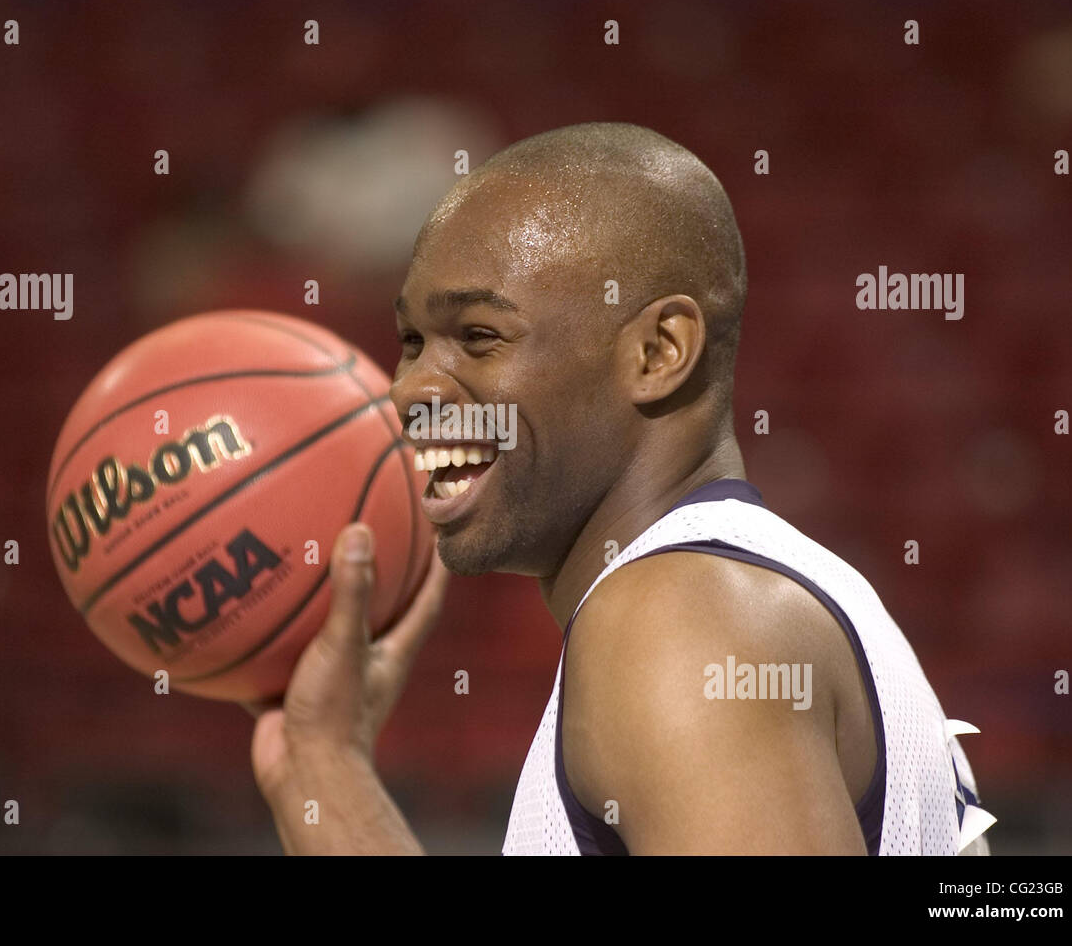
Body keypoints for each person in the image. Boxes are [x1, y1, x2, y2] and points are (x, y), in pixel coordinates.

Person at [243, 122, 991, 855]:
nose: (409, 390)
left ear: (659, 350)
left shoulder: (679, 619)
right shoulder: (746, 591)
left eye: (478, 336)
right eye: (411, 342)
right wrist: (322, 763)